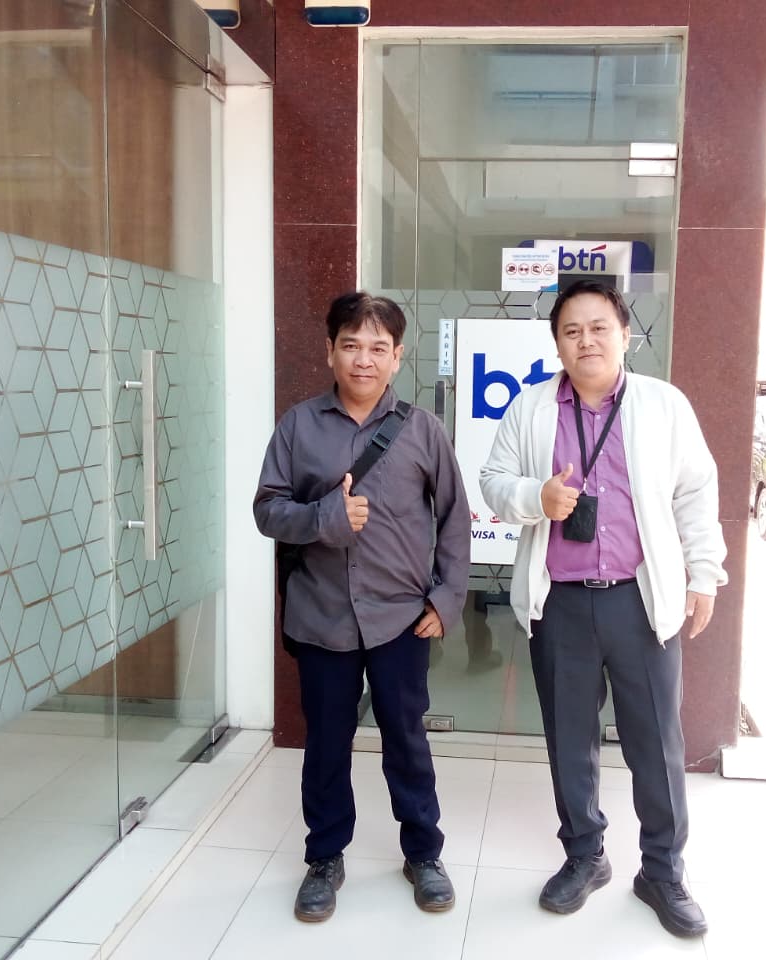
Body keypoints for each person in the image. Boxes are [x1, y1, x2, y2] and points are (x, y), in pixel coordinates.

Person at [479, 279, 727, 938]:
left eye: (598, 327)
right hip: (560, 603)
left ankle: (662, 871)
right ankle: (585, 856)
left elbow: (696, 492)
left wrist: (705, 575)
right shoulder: (531, 408)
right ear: (557, 343)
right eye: (571, 330)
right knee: (569, 740)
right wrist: (536, 498)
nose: (585, 340)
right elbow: (494, 481)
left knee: (657, 744)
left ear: (625, 334)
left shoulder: (662, 404)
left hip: (640, 601)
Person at [254, 291, 471, 923]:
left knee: (407, 738)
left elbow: (455, 517)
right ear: (330, 351)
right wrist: (326, 517)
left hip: (401, 617)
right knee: (327, 742)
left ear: (398, 357)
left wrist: (447, 598)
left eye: (379, 347)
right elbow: (267, 510)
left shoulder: (422, 429)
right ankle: (324, 857)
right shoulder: (298, 426)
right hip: (321, 614)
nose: (364, 359)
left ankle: (423, 853)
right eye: (351, 345)